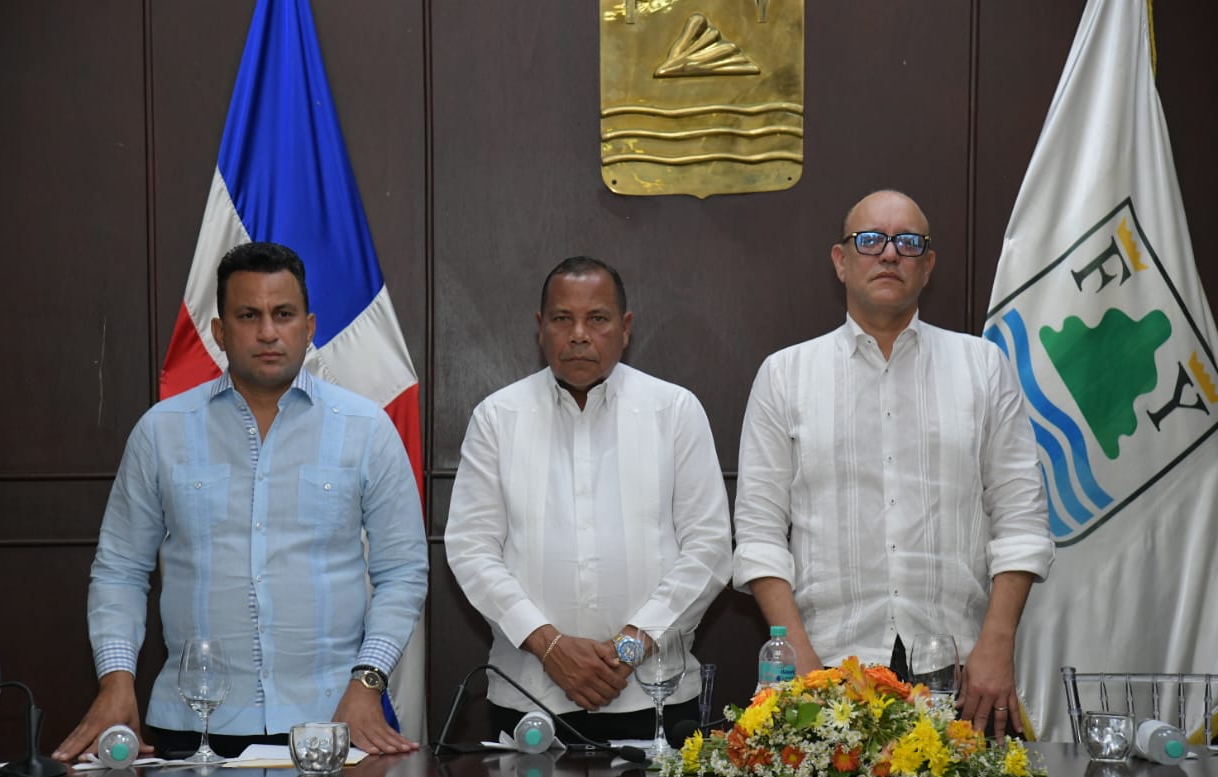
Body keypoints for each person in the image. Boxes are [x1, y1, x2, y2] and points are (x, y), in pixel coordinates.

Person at [53, 242, 427, 762]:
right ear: (219, 331)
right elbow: (120, 570)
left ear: (309, 327)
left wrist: (368, 682)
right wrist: (116, 680)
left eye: (284, 314)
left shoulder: (367, 429)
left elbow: (403, 572)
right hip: (194, 725)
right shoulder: (162, 431)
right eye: (249, 316)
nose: (268, 332)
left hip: (332, 721)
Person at [732, 190, 1054, 738]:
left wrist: (997, 644)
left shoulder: (983, 367)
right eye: (870, 240)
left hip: (962, 672)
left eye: (908, 242)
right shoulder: (785, 376)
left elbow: (1021, 522)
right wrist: (800, 660)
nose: (888, 254)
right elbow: (759, 536)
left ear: (927, 266)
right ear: (840, 261)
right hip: (828, 668)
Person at [444, 256, 731, 743]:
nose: (579, 334)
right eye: (563, 319)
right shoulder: (498, 417)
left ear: (625, 328)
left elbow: (709, 549)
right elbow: (472, 550)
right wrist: (550, 647)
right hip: (530, 696)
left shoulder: (674, 411)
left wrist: (629, 648)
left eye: (597, 319)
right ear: (541, 328)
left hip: (653, 695)